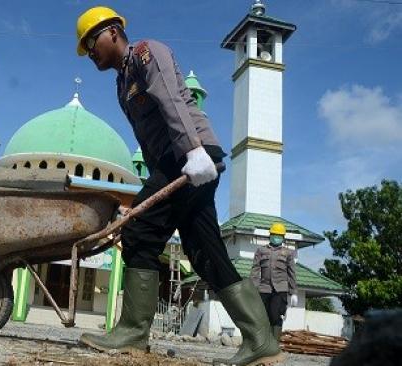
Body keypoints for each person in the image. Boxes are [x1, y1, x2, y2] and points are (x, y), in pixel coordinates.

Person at [75, 6, 283, 366]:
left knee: (139, 232)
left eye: (91, 42)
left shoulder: (145, 52)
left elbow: (172, 99)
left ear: (111, 32)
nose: (89, 52)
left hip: (189, 156)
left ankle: (133, 333)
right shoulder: (122, 81)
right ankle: (261, 341)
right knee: (205, 252)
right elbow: (149, 136)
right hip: (178, 162)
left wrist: (194, 152)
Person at [250, 222, 298, 341]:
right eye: (274, 234)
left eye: (279, 235)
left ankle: (274, 344)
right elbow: (255, 270)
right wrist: (253, 288)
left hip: (280, 289)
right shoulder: (261, 250)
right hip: (264, 288)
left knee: (275, 315)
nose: (277, 237)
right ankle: (262, 343)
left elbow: (292, 273)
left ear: (283, 237)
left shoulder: (288, 253)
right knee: (262, 316)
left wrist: (294, 292)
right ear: (270, 235)